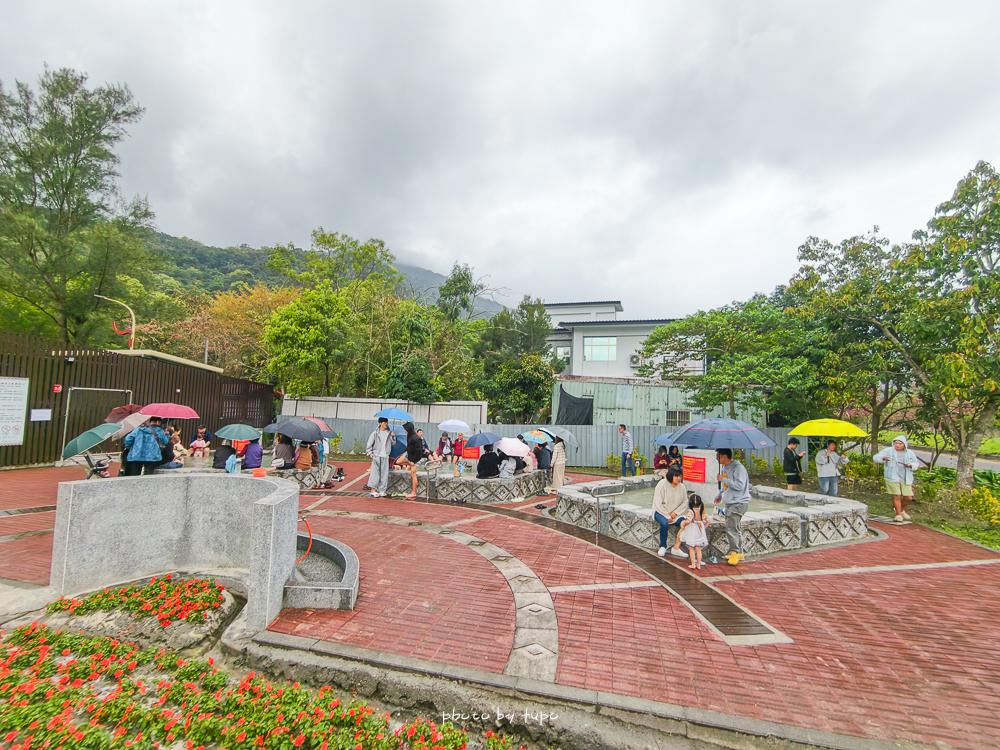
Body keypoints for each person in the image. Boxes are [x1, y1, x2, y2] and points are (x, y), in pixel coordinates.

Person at [715, 448, 751, 566]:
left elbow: (739, 485)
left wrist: (723, 479)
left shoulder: (738, 468)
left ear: (725, 456)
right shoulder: (725, 468)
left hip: (738, 503)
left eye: (718, 456)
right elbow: (725, 485)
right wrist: (720, 495)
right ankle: (739, 552)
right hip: (731, 502)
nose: (717, 458)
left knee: (731, 529)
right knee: (736, 527)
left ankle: (734, 552)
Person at [873, 435, 919, 523]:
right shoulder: (888, 451)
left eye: (900, 444)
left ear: (904, 444)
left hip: (906, 477)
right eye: (896, 443)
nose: (897, 445)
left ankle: (902, 510)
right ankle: (898, 515)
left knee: (908, 497)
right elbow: (876, 457)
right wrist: (883, 458)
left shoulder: (909, 453)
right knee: (897, 495)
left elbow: (916, 463)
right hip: (892, 476)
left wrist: (911, 465)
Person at [653, 467, 690, 558]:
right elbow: (658, 503)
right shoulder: (662, 484)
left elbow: (685, 502)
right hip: (660, 511)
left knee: (685, 523)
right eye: (676, 476)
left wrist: (676, 512)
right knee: (665, 524)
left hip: (675, 514)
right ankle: (662, 546)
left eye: (680, 476)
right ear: (670, 476)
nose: (679, 478)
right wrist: (666, 515)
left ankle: (676, 548)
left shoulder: (682, 487)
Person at [366, 417, 396, 497]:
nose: (386, 424)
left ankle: (381, 490)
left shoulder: (389, 433)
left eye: (386, 422)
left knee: (384, 474)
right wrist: (370, 453)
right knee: (375, 473)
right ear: (380, 423)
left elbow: (392, 443)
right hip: (377, 455)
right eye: (384, 423)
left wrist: (393, 436)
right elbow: (369, 444)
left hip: (385, 456)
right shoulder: (375, 433)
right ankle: (373, 490)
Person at [679, 495, 709, 570]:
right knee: (698, 549)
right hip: (699, 530)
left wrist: (683, 526)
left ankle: (693, 564)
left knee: (691, 548)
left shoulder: (690, 511)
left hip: (692, 530)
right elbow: (708, 521)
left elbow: (688, 521)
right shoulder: (702, 511)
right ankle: (698, 564)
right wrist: (703, 528)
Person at [393, 422, 423, 498]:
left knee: (413, 474)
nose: (404, 431)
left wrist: (413, 461)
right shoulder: (409, 435)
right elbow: (409, 446)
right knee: (398, 462)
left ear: (409, 429)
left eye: (405, 429)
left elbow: (418, 451)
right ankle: (410, 464)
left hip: (416, 458)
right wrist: (406, 452)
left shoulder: (416, 438)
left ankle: (414, 492)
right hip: (409, 455)